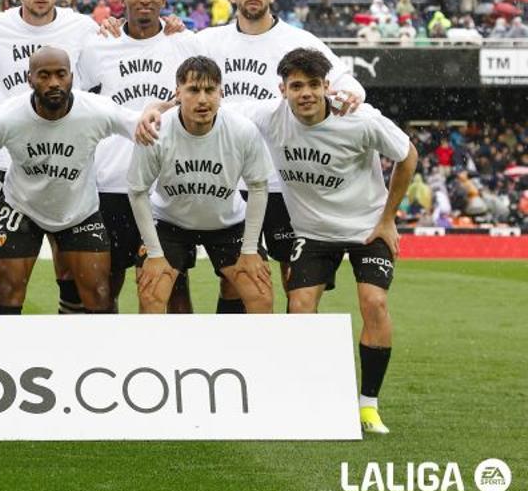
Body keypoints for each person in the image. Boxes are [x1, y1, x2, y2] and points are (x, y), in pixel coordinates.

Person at [144, 48, 415, 434]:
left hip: (366, 229)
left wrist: (388, 218)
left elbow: (408, 155)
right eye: (296, 86)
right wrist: (156, 108)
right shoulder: (268, 117)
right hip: (314, 233)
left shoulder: (360, 120)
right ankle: (306, 396)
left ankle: (368, 404)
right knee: (300, 306)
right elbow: (204, 102)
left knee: (374, 301)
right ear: (282, 89)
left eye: (313, 85)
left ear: (327, 86)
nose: (305, 94)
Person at [194, 0, 366, 313]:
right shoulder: (207, 42)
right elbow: (164, 55)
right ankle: (234, 360)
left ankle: (291, 360)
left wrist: (352, 95)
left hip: (282, 178)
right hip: (229, 177)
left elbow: (345, 80)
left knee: (295, 278)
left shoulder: (299, 40)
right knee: (235, 279)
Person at [0, 47, 142, 314]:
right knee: (7, 290)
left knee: (99, 295)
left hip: (78, 211)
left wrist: (162, 114)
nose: (53, 83)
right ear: (29, 79)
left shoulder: (95, 110)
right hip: (22, 207)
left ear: (72, 77)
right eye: (44, 75)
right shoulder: (6, 117)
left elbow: (143, 127)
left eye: (61, 74)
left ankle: (97, 356)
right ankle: (2, 354)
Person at [0, 0, 99, 315]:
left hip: (68, 164)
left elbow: (91, 90)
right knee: (7, 277)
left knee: (71, 273)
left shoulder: (83, 27)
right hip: (10, 166)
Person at [78, 0, 201, 312]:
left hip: (166, 185)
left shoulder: (185, 43)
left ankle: (177, 362)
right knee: (107, 287)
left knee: (172, 287)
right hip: (112, 182)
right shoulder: (100, 45)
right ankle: (110, 360)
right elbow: (79, 102)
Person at [126, 56, 273, 314]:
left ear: (221, 92)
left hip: (227, 223)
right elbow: (137, 192)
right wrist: (154, 252)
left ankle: (239, 352)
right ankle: (155, 355)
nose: (203, 99)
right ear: (178, 93)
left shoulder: (242, 130)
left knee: (261, 295)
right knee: (151, 293)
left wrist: (250, 250)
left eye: (210, 90)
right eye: (194, 90)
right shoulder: (157, 131)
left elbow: (259, 187)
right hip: (170, 223)